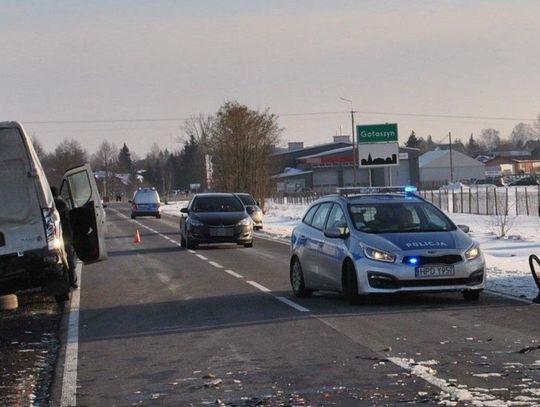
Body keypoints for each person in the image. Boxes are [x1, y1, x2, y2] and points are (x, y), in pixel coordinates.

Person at [51, 186, 78, 289]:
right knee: (68, 258)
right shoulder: (63, 204)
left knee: (61, 259)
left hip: (59, 236)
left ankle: (67, 280)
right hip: (66, 236)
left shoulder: (53, 205)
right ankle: (72, 280)